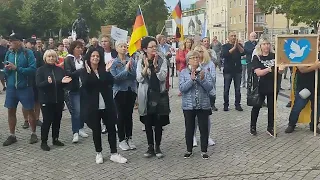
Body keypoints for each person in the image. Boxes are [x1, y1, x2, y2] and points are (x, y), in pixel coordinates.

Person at [81, 48, 127, 164]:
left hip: (107, 105)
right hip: (93, 106)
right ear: (89, 58)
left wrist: (106, 72)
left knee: (111, 128)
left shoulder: (104, 70)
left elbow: (111, 82)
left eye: (97, 56)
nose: (95, 58)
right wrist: (89, 74)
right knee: (96, 130)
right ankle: (99, 153)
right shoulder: (84, 72)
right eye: (93, 56)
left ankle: (114, 153)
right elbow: (87, 86)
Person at [136, 36, 170, 158]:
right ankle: (150, 146)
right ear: (145, 49)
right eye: (151, 47)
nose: (154, 48)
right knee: (148, 122)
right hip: (146, 95)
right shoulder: (140, 60)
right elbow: (139, 78)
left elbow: (163, 77)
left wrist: (155, 67)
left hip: (159, 94)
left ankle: (158, 146)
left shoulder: (162, 59)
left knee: (158, 122)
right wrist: (146, 67)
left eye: (155, 46)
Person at [3, 33, 38, 146]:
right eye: (9, 40)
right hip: (12, 87)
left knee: (30, 110)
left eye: (12, 41)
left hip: (25, 87)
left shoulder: (28, 53)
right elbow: (7, 70)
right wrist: (7, 69)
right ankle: (12, 135)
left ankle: (33, 133)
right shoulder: (9, 53)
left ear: (19, 42)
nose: (10, 43)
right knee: (10, 110)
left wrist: (17, 68)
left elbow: (33, 69)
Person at [179, 50, 213, 159]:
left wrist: (202, 80)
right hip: (188, 105)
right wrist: (191, 80)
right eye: (193, 58)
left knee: (204, 128)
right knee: (189, 128)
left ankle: (204, 150)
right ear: (188, 60)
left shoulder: (204, 71)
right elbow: (182, 88)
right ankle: (189, 149)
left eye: (197, 58)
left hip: (203, 104)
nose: (195, 60)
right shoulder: (183, 72)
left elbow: (210, 87)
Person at [36, 50, 72, 151]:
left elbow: (62, 83)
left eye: (53, 56)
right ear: (45, 58)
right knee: (47, 121)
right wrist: (48, 82)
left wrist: (66, 82)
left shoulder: (59, 70)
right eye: (49, 57)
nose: (51, 58)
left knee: (57, 120)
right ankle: (44, 141)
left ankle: (55, 139)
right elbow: (39, 85)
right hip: (46, 100)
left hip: (58, 99)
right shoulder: (41, 70)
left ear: (56, 58)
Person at [250, 38, 284, 136]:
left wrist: (281, 70)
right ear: (260, 46)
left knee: (272, 107)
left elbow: (279, 72)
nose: (266, 46)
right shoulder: (257, 57)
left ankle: (270, 127)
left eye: (268, 44)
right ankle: (253, 126)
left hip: (273, 85)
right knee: (257, 106)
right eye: (264, 44)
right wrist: (268, 70)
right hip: (261, 86)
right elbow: (258, 72)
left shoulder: (275, 56)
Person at [285, 43, 320, 134]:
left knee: (317, 108)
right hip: (304, 86)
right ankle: (291, 124)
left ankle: (314, 125)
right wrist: (315, 66)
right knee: (298, 106)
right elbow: (302, 69)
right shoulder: (302, 53)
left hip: (317, 86)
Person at [110, 40, 137, 151]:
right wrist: (126, 71)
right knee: (120, 115)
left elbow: (134, 75)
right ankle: (121, 139)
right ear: (116, 49)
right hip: (119, 92)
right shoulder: (113, 63)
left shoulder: (131, 60)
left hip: (130, 90)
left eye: (125, 46)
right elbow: (114, 79)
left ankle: (129, 137)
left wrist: (128, 70)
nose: (123, 48)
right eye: (121, 46)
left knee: (128, 115)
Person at [64, 40, 89, 143]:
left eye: (81, 48)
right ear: (73, 48)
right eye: (78, 47)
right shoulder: (68, 59)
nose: (80, 49)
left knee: (83, 109)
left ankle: (81, 128)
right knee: (76, 111)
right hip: (74, 88)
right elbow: (69, 73)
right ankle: (75, 132)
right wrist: (81, 70)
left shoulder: (83, 59)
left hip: (83, 87)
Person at [193, 45, 216, 147]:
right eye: (197, 51)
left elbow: (213, 78)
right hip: (194, 93)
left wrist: (204, 76)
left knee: (206, 117)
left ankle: (207, 136)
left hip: (206, 93)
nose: (199, 54)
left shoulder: (210, 64)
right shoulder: (192, 64)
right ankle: (193, 136)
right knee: (194, 118)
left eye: (201, 51)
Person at [221, 32, 245, 111]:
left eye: (235, 36)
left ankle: (237, 104)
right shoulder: (225, 46)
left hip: (237, 70)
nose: (234, 37)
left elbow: (243, 52)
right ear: (228, 37)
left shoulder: (239, 45)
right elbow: (224, 54)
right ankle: (226, 104)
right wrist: (234, 48)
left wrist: (237, 46)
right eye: (232, 36)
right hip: (228, 70)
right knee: (226, 89)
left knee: (238, 89)